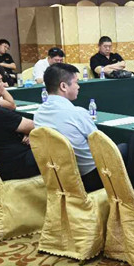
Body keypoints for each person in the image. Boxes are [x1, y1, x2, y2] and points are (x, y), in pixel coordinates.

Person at [34, 63, 103, 192]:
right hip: (89, 177)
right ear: (63, 86)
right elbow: (100, 145)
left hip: (59, 177)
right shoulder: (77, 113)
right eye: (76, 82)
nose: (78, 86)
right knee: (125, 149)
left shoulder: (38, 114)